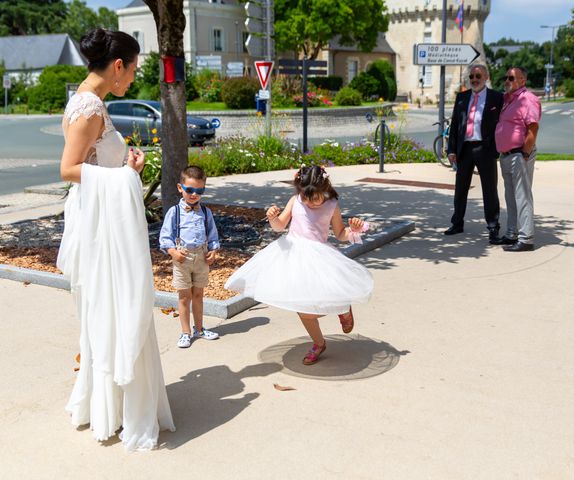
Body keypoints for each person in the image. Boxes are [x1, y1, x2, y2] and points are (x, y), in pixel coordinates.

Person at [57, 28, 174, 451]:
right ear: (117, 66)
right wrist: (127, 177)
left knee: (109, 309)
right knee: (116, 304)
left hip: (102, 217)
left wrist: (126, 169)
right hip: (101, 228)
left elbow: (92, 162)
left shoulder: (90, 101)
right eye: (133, 71)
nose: (132, 81)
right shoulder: (89, 106)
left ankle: (112, 403)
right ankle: (117, 405)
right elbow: (69, 169)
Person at [224, 165, 373, 365]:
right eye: (307, 197)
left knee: (321, 301)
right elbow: (279, 227)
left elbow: (340, 234)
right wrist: (272, 218)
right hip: (293, 256)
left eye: (316, 197)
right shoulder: (295, 201)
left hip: (319, 258)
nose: (311, 202)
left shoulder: (332, 205)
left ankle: (343, 307)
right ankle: (319, 343)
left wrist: (353, 230)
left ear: (325, 187)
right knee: (302, 307)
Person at [159, 165, 221, 349]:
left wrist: (213, 252)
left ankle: (200, 329)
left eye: (199, 190)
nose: (194, 194)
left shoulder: (206, 213)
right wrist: (173, 253)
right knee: (184, 297)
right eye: (190, 190)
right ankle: (186, 333)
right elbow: (165, 237)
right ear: (180, 188)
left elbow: (213, 235)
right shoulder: (174, 212)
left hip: (201, 257)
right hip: (182, 258)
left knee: (199, 295)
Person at [444, 64, 504, 244]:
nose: (474, 80)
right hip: (465, 149)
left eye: (478, 76)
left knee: (490, 190)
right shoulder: (462, 97)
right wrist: (451, 149)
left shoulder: (496, 97)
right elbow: (455, 125)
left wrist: (497, 147)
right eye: (471, 77)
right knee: (460, 188)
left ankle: (493, 227)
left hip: (485, 150)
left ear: (486, 77)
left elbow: (502, 123)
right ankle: (457, 222)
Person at [494, 67, 541, 252]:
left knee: (522, 196)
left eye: (511, 77)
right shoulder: (508, 99)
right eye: (506, 77)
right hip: (506, 154)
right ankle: (512, 233)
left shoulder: (527, 99)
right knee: (510, 196)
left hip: (519, 154)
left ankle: (526, 238)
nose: (507, 80)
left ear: (523, 80)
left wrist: (525, 153)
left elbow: (533, 128)